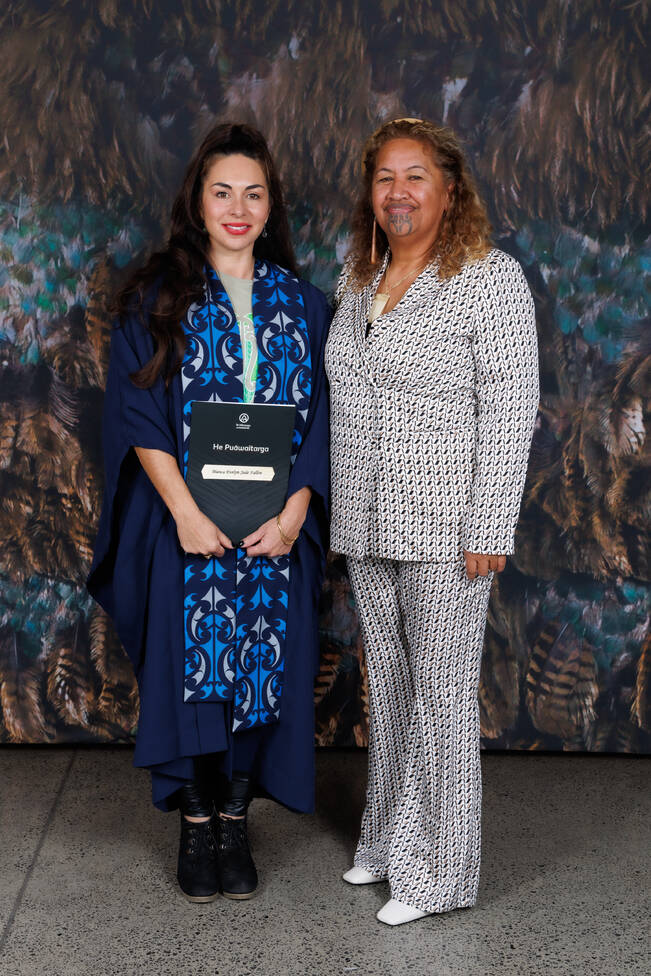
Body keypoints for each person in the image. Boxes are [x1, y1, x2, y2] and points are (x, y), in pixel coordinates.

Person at [87, 123, 330, 902]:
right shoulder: (157, 298)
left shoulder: (303, 302)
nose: (237, 207)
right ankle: (196, 824)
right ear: (196, 200)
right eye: (221, 191)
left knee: (262, 665)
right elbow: (136, 416)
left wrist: (295, 512)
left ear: (270, 206)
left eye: (252, 194)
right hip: (185, 522)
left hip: (272, 529)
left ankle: (234, 816)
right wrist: (185, 514)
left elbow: (325, 416)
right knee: (191, 670)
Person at [325, 117, 539, 926]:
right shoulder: (358, 278)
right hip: (367, 519)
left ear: (450, 190)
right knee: (393, 686)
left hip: (450, 526)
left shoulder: (489, 279)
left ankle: (438, 874)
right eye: (384, 177)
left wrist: (489, 523)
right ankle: (384, 842)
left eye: (415, 176)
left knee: (442, 695)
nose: (398, 192)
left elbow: (512, 409)